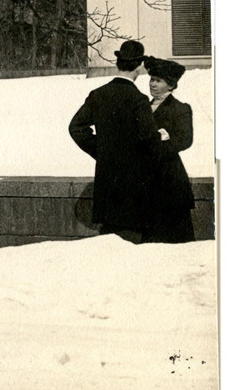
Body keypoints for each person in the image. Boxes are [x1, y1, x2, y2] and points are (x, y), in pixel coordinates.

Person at [67, 40, 159, 241]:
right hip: (134, 188)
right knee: (133, 246)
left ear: (118, 64)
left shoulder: (98, 94)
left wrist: (101, 150)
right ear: (139, 67)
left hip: (106, 187)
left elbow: (76, 128)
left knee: (108, 248)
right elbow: (150, 140)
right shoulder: (139, 100)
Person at [139, 57, 197, 244]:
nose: (153, 84)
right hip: (146, 180)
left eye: (158, 80)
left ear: (170, 85)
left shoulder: (180, 109)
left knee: (176, 239)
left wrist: (159, 143)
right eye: (151, 79)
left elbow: (185, 140)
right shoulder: (142, 108)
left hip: (170, 181)